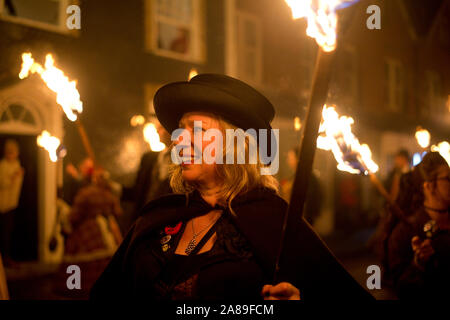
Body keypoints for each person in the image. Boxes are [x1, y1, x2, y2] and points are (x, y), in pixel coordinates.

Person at [90, 74, 372, 300]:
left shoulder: (274, 219)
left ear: (234, 144)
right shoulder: (161, 213)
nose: (178, 139)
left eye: (196, 129)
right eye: (180, 128)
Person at [386, 152, 450, 299]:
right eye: (448, 178)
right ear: (429, 186)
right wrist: (418, 264)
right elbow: (400, 288)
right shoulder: (406, 232)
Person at [55, 169, 123, 299]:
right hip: (106, 231)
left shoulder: (85, 194)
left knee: (80, 262)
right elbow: (118, 211)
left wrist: (64, 215)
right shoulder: (108, 194)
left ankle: (76, 288)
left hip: (86, 231)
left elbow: (74, 216)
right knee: (105, 263)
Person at [280, 147, 323, 225]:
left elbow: (312, 199)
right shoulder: (295, 177)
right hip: (293, 217)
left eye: (291, 157)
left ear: (298, 159)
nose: (288, 160)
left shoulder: (307, 177)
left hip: (302, 219)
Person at [0, 139, 24, 267]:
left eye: (13, 152)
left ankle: (7, 258)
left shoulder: (17, 164)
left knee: (8, 233)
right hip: (2, 205)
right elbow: (3, 183)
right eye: (9, 152)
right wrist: (14, 176)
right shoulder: (3, 165)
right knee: (3, 233)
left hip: (12, 204)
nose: (11, 154)